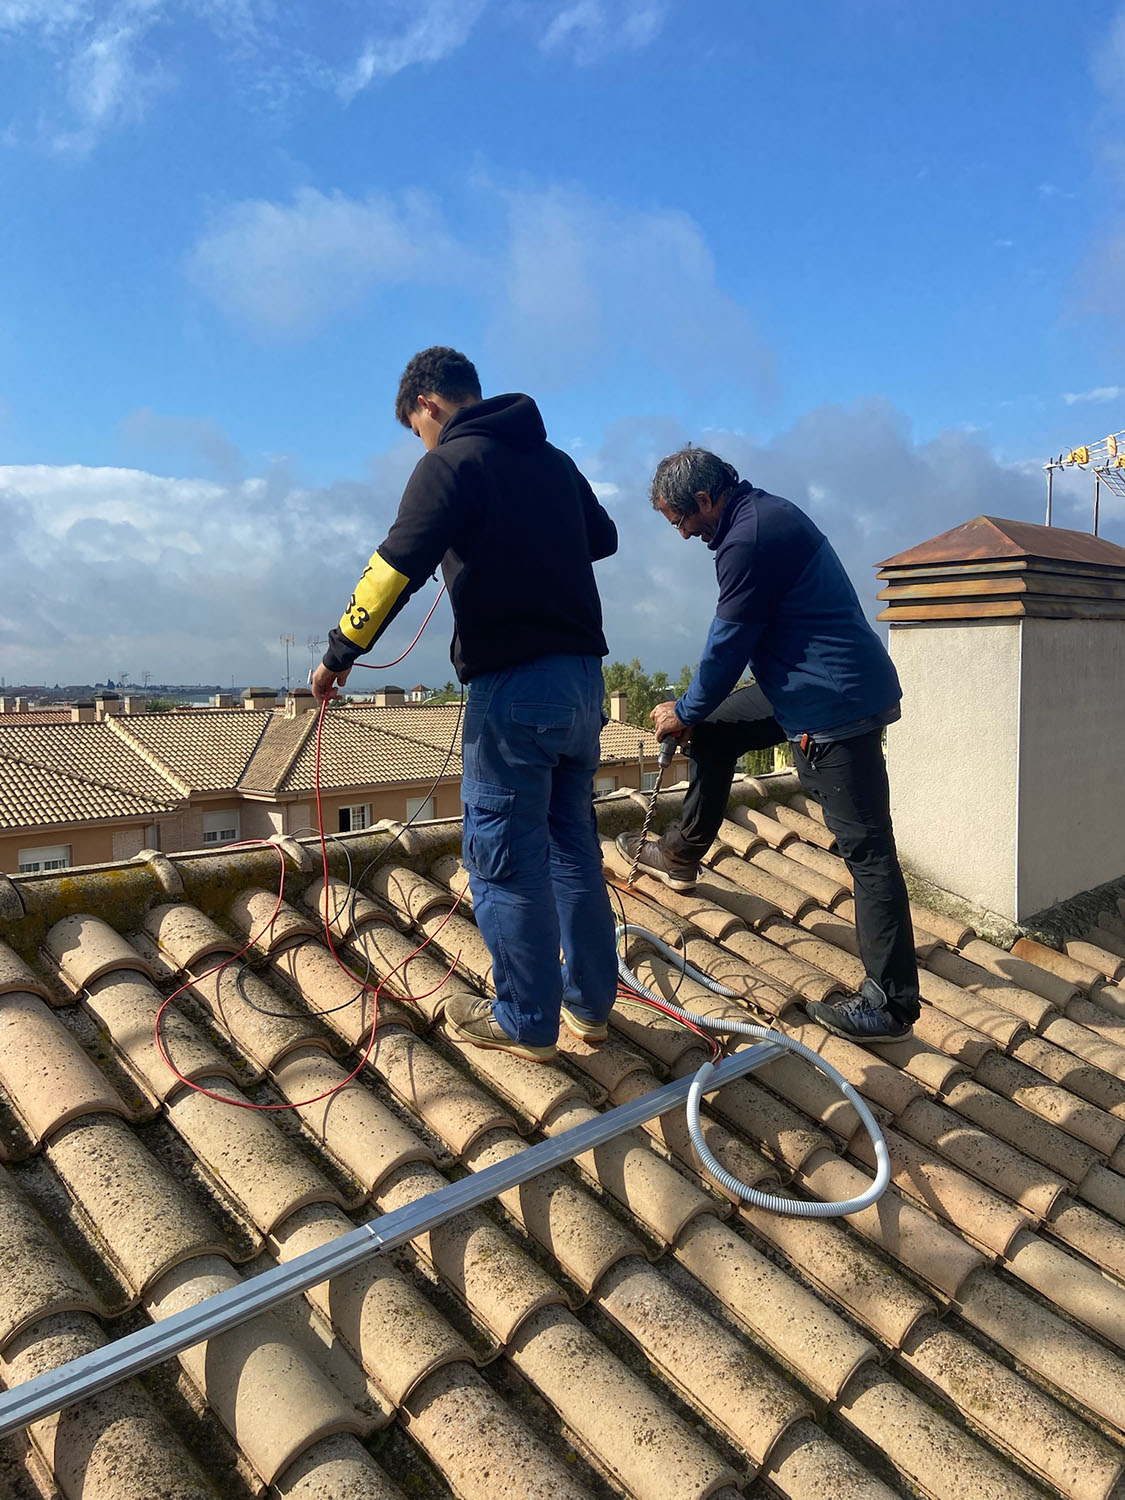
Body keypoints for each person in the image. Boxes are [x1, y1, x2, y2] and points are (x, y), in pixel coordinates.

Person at [312, 347, 619, 1062]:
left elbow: (395, 566)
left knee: (504, 859)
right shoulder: (554, 460)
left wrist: (336, 655)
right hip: (582, 685)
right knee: (571, 851)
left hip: (513, 689)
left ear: (428, 405)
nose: (421, 443)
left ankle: (524, 1020)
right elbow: (600, 538)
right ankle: (590, 1009)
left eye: (417, 430)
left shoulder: (449, 462)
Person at [617, 447, 920, 1042]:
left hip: (835, 706)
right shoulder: (757, 517)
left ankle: (891, 1007)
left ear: (705, 500)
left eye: (681, 520)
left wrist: (680, 709)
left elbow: (728, 644)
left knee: (868, 855)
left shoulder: (748, 539)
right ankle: (681, 853)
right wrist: (693, 717)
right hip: (804, 689)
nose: (682, 534)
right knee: (712, 727)